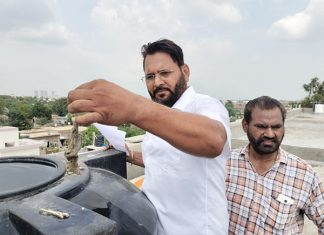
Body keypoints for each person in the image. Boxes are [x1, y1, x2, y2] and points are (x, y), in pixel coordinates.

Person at [68, 39, 231, 235]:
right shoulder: (158, 115)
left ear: (185, 72)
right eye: (150, 76)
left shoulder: (204, 105)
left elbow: (213, 141)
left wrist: (133, 108)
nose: (157, 82)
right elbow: (167, 162)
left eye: (165, 73)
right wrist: (129, 155)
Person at [226, 96, 324, 234]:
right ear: (245, 125)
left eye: (276, 127)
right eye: (261, 126)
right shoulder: (226, 165)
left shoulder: (304, 174)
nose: (270, 134)